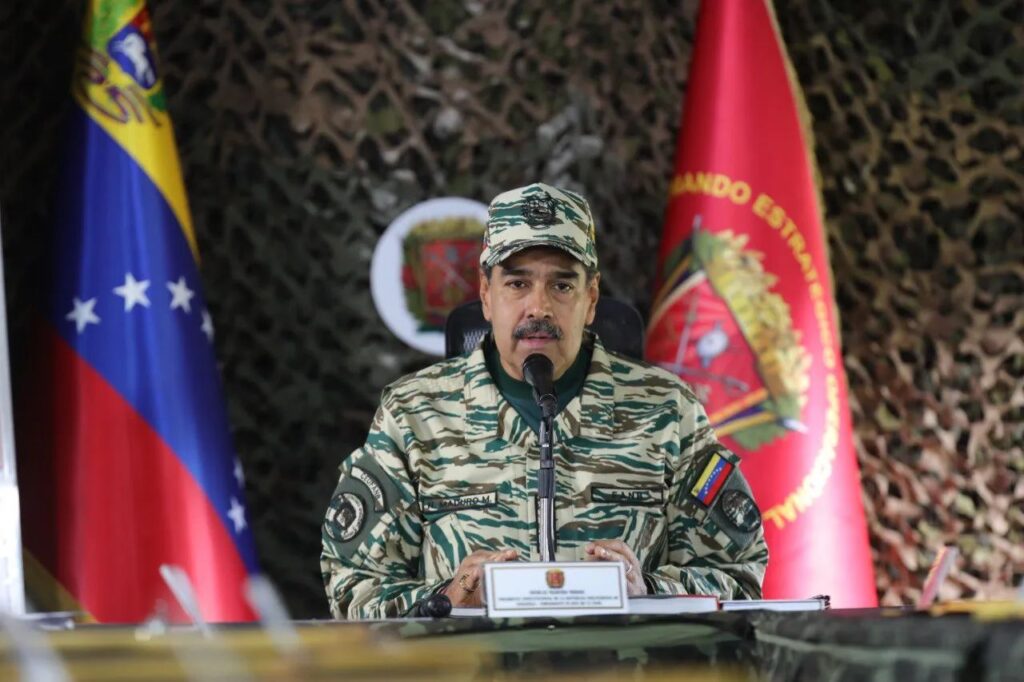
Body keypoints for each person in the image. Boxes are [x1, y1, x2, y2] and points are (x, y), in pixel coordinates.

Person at [321, 182, 768, 619]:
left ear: (591, 299)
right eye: (517, 284)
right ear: (485, 295)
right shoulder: (414, 414)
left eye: (562, 286)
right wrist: (449, 598)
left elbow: (739, 572)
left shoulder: (669, 410)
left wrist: (647, 590)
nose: (539, 307)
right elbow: (353, 584)